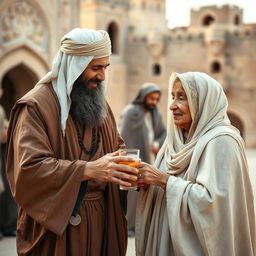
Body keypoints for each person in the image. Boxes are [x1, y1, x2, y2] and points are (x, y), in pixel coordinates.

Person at [6, 28, 139, 256]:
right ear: (74, 65)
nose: (102, 76)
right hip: (57, 228)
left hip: (102, 223)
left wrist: (123, 168)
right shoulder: (36, 107)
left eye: (105, 68)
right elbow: (28, 169)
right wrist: (87, 170)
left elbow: (117, 146)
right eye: (96, 68)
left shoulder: (99, 104)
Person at [135, 72, 255, 255]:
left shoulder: (222, 141)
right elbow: (161, 182)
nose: (172, 106)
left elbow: (213, 204)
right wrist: (147, 183)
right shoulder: (173, 141)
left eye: (181, 98)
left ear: (202, 102)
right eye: (173, 97)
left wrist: (164, 181)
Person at [119, 82, 166, 236]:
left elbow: (162, 133)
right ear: (143, 96)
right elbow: (124, 138)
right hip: (132, 161)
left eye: (156, 99)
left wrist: (157, 143)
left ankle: (141, 225)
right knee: (132, 194)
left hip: (150, 159)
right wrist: (131, 162)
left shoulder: (154, 113)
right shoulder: (131, 112)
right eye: (151, 98)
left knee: (147, 194)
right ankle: (129, 226)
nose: (153, 102)